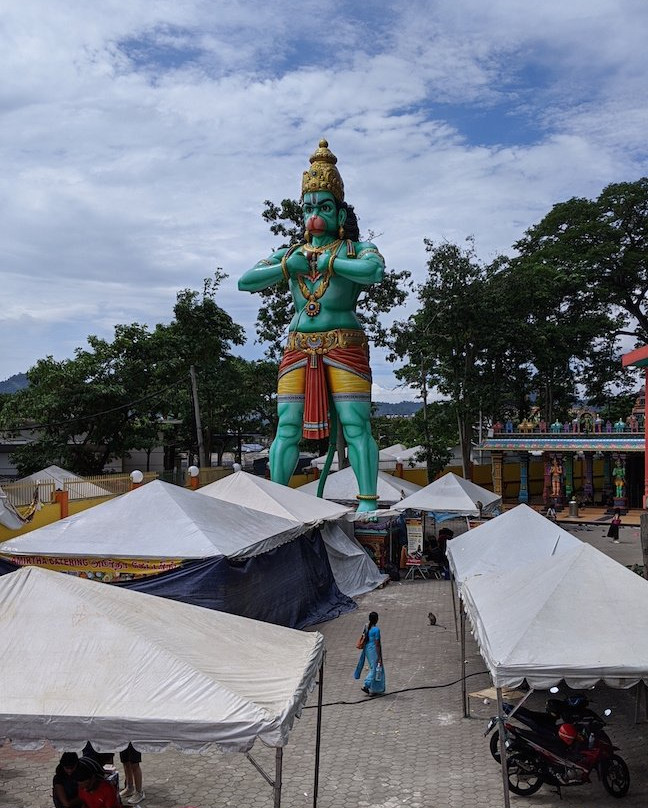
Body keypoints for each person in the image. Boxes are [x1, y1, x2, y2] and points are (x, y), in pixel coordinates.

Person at [239, 140, 385, 512]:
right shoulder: (290, 255)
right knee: (286, 425)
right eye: (308, 208)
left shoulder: (356, 250)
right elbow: (247, 280)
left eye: (323, 207)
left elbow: (374, 272)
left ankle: (367, 500)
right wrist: (290, 267)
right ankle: (277, 501)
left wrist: (329, 264)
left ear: (339, 214)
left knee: (355, 425)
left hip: (343, 343)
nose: (314, 216)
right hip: (297, 345)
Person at [354, 611, 385, 695]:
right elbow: (377, 644)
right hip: (373, 650)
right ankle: (366, 685)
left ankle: (373, 688)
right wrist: (379, 657)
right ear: (377, 619)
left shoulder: (367, 626)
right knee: (375, 668)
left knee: (373, 667)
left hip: (367, 649)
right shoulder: (376, 630)